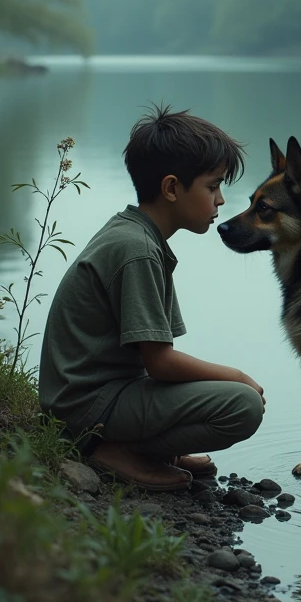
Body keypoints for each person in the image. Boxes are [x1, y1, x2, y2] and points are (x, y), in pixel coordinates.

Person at [38, 105, 265, 491]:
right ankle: (110, 449)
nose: (221, 201)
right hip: (85, 407)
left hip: (99, 395)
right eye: (213, 186)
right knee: (243, 405)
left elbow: (148, 361)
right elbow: (159, 363)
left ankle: (143, 447)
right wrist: (237, 375)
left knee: (232, 396)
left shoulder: (137, 235)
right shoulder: (137, 250)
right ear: (172, 188)